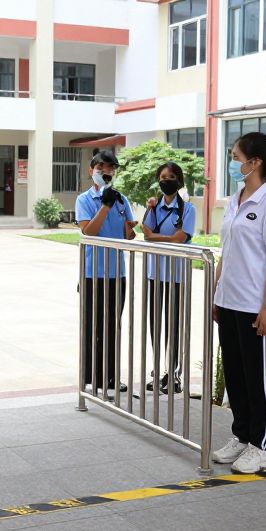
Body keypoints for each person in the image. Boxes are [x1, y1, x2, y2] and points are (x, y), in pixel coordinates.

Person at [211, 132, 266, 474]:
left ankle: (260, 446)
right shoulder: (236, 198)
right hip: (229, 302)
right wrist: (217, 294)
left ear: (254, 162)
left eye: (235, 156)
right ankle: (242, 436)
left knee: (258, 379)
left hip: (255, 306)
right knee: (236, 375)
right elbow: (226, 252)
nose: (232, 162)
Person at [76, 149, 136, 398]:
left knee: (113, 326)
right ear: (91, 171)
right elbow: (88, 232)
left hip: (117, 274)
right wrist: (104, 206)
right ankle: (91, 378)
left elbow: (129, 235)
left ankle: (110, 378)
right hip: (92, 275)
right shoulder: (84, 200)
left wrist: (129, 227)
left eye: (111, 169)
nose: (106, 172)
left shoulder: (121, 199)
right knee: (93, 327)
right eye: (101, 168)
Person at [141, 162, 196, 394]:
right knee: (155, 324)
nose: (166, 180)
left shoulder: (187, 210)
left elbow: (179, 239)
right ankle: (156, 369)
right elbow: (145, 233)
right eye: (162, 176)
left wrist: (155, 237)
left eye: (171, 176)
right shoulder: (154, 207)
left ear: (179, 180)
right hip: (155, 274)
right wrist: (149, 210)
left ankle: (172, 374)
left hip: (175, 275)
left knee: (173, 325)